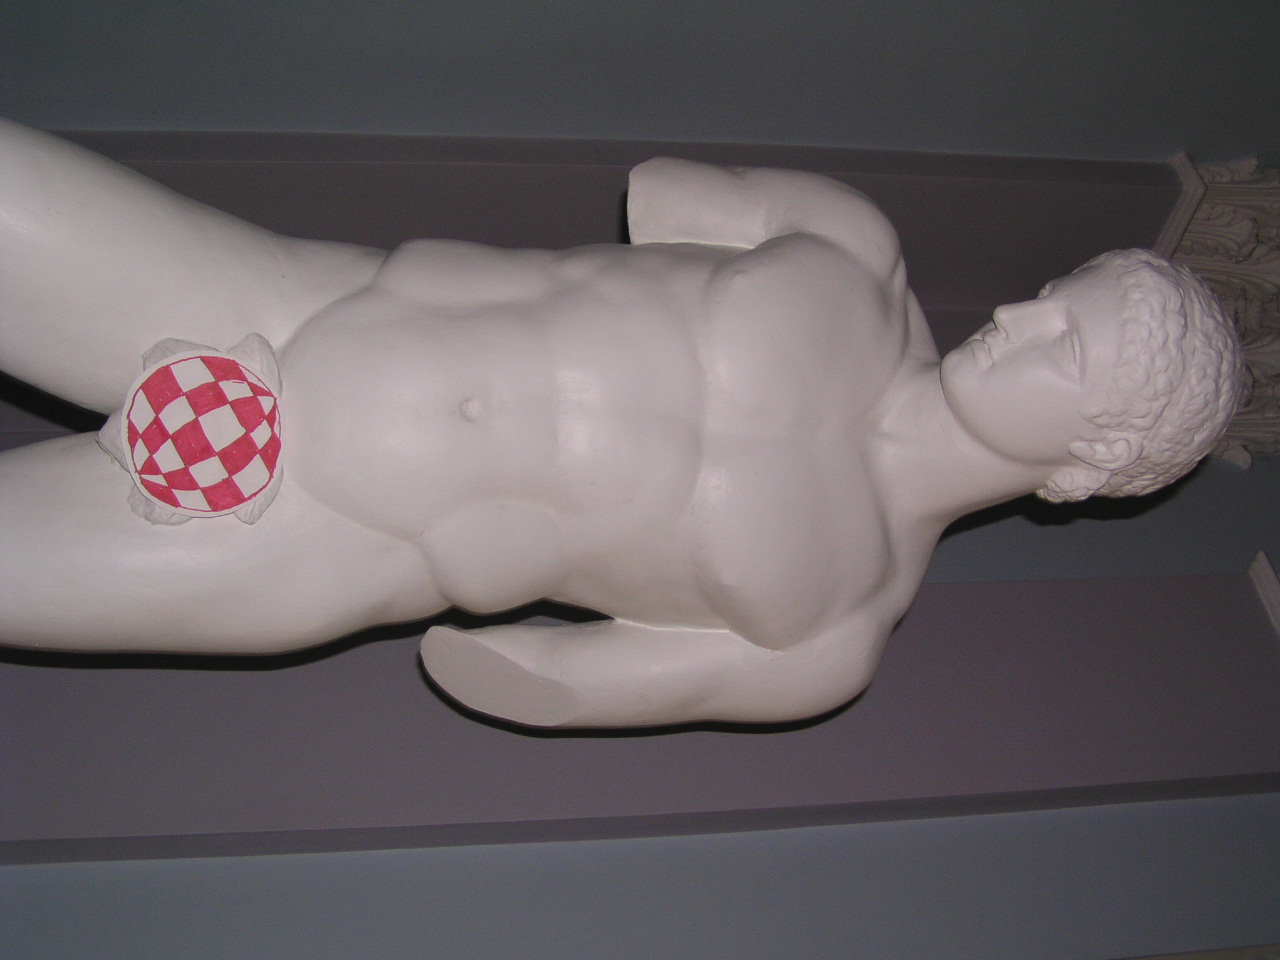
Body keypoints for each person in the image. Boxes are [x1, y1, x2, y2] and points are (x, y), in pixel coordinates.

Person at [0, 119, 1242, 728]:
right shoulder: (850, 245)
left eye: (1063, 344)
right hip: (276, 302)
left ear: (1094, 465)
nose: (1017, 316)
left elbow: (544, 681)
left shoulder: (825, 638)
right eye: (1054, 295)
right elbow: (661, 194)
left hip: (307, 548)